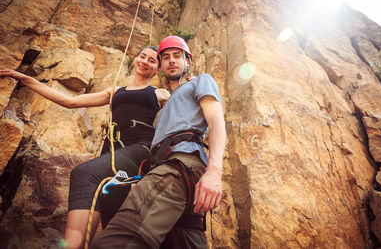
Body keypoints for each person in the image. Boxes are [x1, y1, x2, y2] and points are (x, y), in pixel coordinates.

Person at [0, 45, 170, 249]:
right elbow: (70, 101)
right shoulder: (115, 91)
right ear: (135, 59)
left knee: (84, 173)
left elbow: (179, 114)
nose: (145, 61)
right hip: (112, 151)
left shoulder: (159, 93)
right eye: (142, 56)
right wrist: (26, 80)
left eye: (152, 60)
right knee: (109, 211)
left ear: (157, 70)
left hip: (139, 150)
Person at [89, 35, 226, 249]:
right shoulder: (166, 104)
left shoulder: (201, 81)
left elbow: (216, 122)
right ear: (160, 66)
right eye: (166, 57)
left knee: (116, 239)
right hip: (171, 171)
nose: (172, 60)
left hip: (180, 165)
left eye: (177, 56)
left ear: (187, 61)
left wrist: (215, 172)